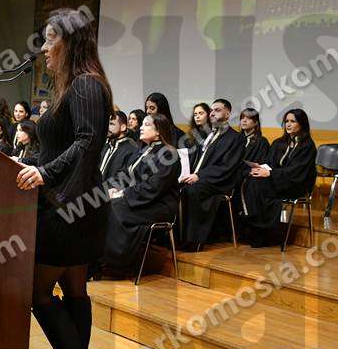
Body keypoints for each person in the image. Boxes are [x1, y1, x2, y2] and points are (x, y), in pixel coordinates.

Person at [15, 7, 111, 349]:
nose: (44, 48)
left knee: (36, 292)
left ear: (70, 42)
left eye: (50, 39)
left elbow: (87, 142)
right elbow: (62, 144)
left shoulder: (86, 85)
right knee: (73, 288)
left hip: (71, 206)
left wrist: (46, 173)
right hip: (72, 202)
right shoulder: (73, 86)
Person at [101, 113, 182, 273]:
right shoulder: (141, 150)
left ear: (158, 131)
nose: (141, 128)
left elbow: (153, 187)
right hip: (138, 198)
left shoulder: (168, 153)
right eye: (142, 124)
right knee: (101, 203)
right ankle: (98, 257)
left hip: (159, 204)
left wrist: (123, 194)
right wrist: (112, 188)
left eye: (146, 125)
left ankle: (115, 263)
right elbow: (124, 175)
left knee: (115, 208)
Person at [241, 109, 316, 247]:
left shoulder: (307, 146)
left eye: (293, 121)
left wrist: (271, 173)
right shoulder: (279, 143)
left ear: (302, 124)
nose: (288, 124)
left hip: (295, 184)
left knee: (258, 186)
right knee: (252, 180)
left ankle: (259, 229)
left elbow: (297, 172)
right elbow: (269, 163)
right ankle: (256, 227)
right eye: (286, 121)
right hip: (276, 181)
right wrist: (261, 169)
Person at [180, 98, 244, 247]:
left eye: (217, 110)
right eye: (211, 111)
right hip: (201, 178)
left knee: (192, 190)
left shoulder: (235, 138)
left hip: (220, 181)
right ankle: (176, 236)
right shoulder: (208, 135)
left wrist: (199, 176)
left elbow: (226, 167)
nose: (212, 113)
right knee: (176, 186)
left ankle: (193, 240)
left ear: (227, 114)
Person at [99, 111, 139, 188]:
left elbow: (123, 179)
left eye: (111, 124)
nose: (107, 127)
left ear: (123, 127)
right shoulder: (106, 145)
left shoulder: (131, 149)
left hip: (110, 192)